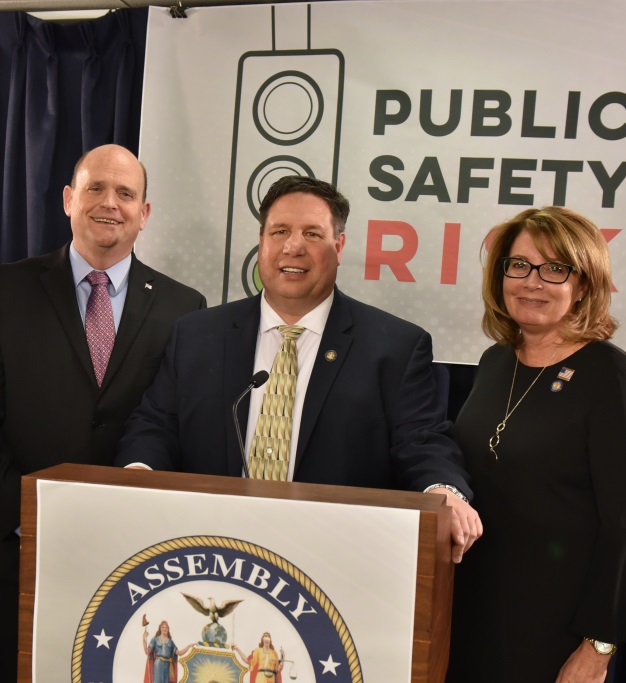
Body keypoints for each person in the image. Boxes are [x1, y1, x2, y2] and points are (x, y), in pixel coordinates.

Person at [116, 175, 482, 558]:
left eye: (312, 234)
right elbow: (155, 425)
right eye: (280, 232)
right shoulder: (197, 334)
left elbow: (422, 441)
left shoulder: (394, 347)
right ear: (261, 243)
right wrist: (139, 471)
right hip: (208, 549)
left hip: (333, 557)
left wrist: (444, 492)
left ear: (338, 246)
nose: (293, 247)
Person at [0, 144, 206, 683]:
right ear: (67, 199)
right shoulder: (5, 289)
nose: (108, 203)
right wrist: (24, 509)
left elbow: (179, 427)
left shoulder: (184, 308)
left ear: (145, 213)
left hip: (132, 557)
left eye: (124, 193)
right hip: (17, 546)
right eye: (94, 189)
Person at [431, 206, 626, 683]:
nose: (533, 281)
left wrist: (597, 651)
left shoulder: (612, 376)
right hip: (473, 624)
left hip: (555, 640)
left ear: (585, 281)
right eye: (519, 265)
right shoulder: (497, 361)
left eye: (555, 269)